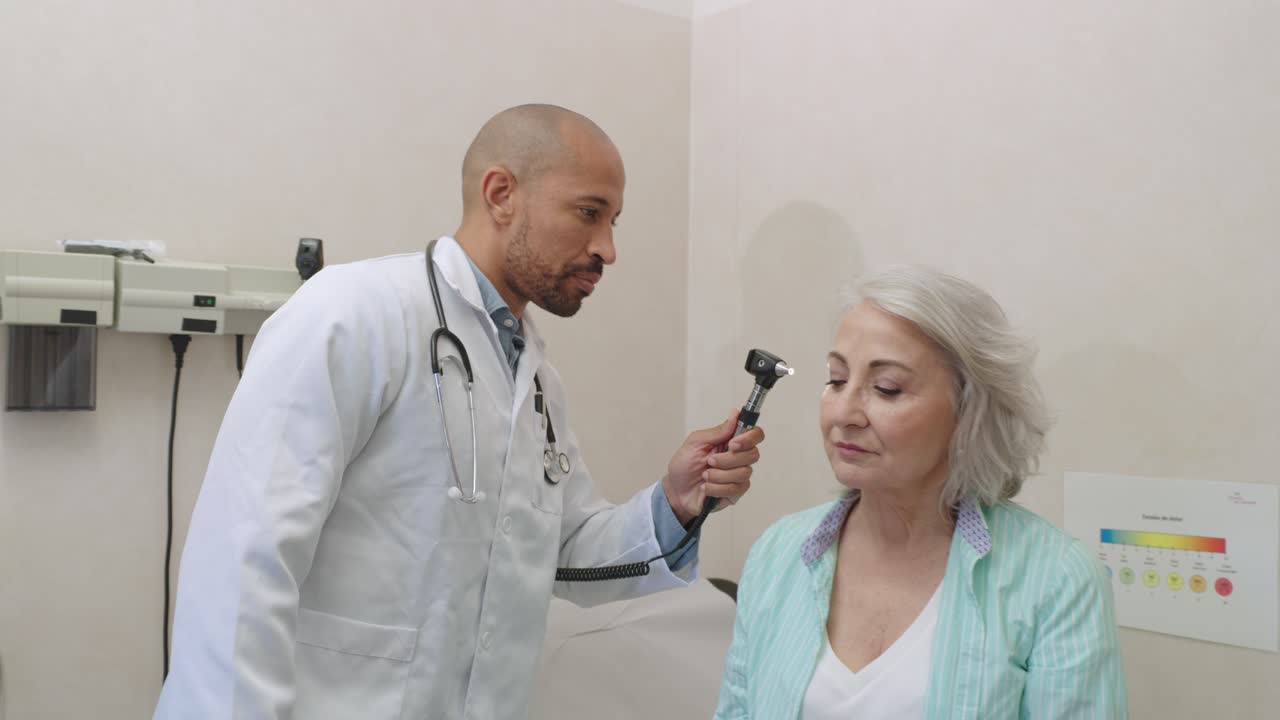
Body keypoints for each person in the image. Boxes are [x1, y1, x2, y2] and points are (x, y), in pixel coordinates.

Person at [154, 104, 765, 720]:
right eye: (589, 212)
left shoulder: (536, 381)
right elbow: (245, 554)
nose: (607, 248)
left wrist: (677, 502)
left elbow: (565, 554)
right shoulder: (355, 314)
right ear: (501, 195)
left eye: (613, 221)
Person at [714, 266, 1127, 719]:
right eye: (836, 379)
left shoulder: (1056, 579)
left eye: (887, 388)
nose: (845, 413)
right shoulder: (778, 553)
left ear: (968, 411)